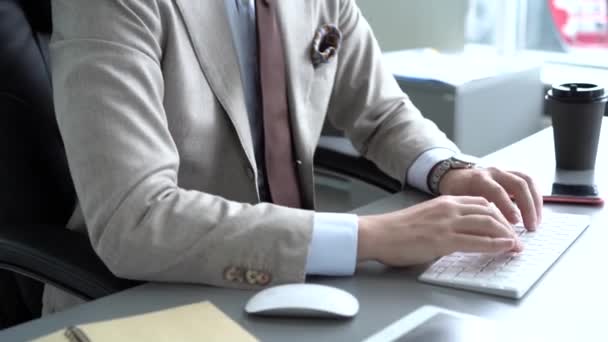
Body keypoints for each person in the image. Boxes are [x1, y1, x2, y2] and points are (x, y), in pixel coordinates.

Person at [45, 0, 542, 314]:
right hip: (142, 298)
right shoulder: (110, 4)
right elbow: (138, 217)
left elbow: (383, 113)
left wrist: (447, 170)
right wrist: (371, 237)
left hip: (299, 288)